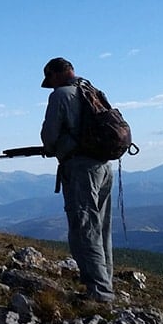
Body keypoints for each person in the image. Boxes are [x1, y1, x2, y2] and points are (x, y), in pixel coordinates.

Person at [40, 57, 114, 303]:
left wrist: (53, 147)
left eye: (49, 80)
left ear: (57, 74)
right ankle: (105, 284)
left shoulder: (60, 95)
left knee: (84, 228)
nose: (49, 86)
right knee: (101, 228)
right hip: (104, 166)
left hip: (81, 169)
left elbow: (49, 136)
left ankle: (99, 293)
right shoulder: (92, 90)